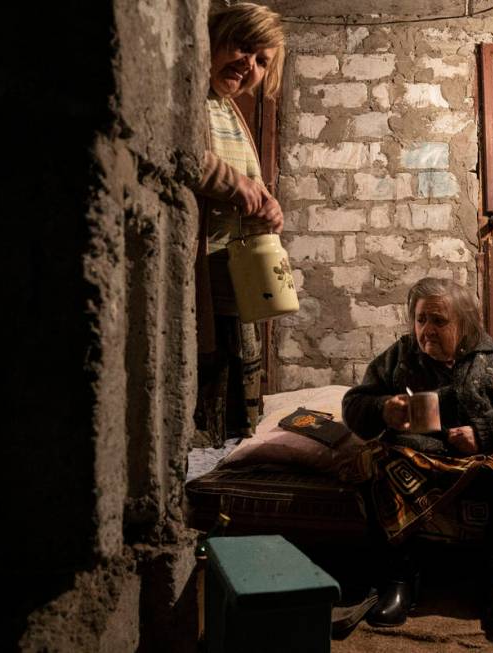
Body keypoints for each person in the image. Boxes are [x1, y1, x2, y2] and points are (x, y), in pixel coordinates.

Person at [342, 277, 493, 634]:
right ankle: (399, 581)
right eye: (421, 319)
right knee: (377, 459)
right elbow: (354, 403)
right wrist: (382, 410)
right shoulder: (399, 356)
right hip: (416, 457)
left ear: (464, 323)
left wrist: (482, 433)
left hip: (479, 460)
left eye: (439, 321)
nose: (427, 330)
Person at [191, 2, 286, 447]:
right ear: (215, 40)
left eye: (261, 61)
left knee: (230, 416)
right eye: (243, 48)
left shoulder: (230, 110)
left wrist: (268, 205)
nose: (249, 64)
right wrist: (236, 186)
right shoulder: (195, 100)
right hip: (199, 277)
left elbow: (249, 186)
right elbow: (183, 155)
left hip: (231, 280)